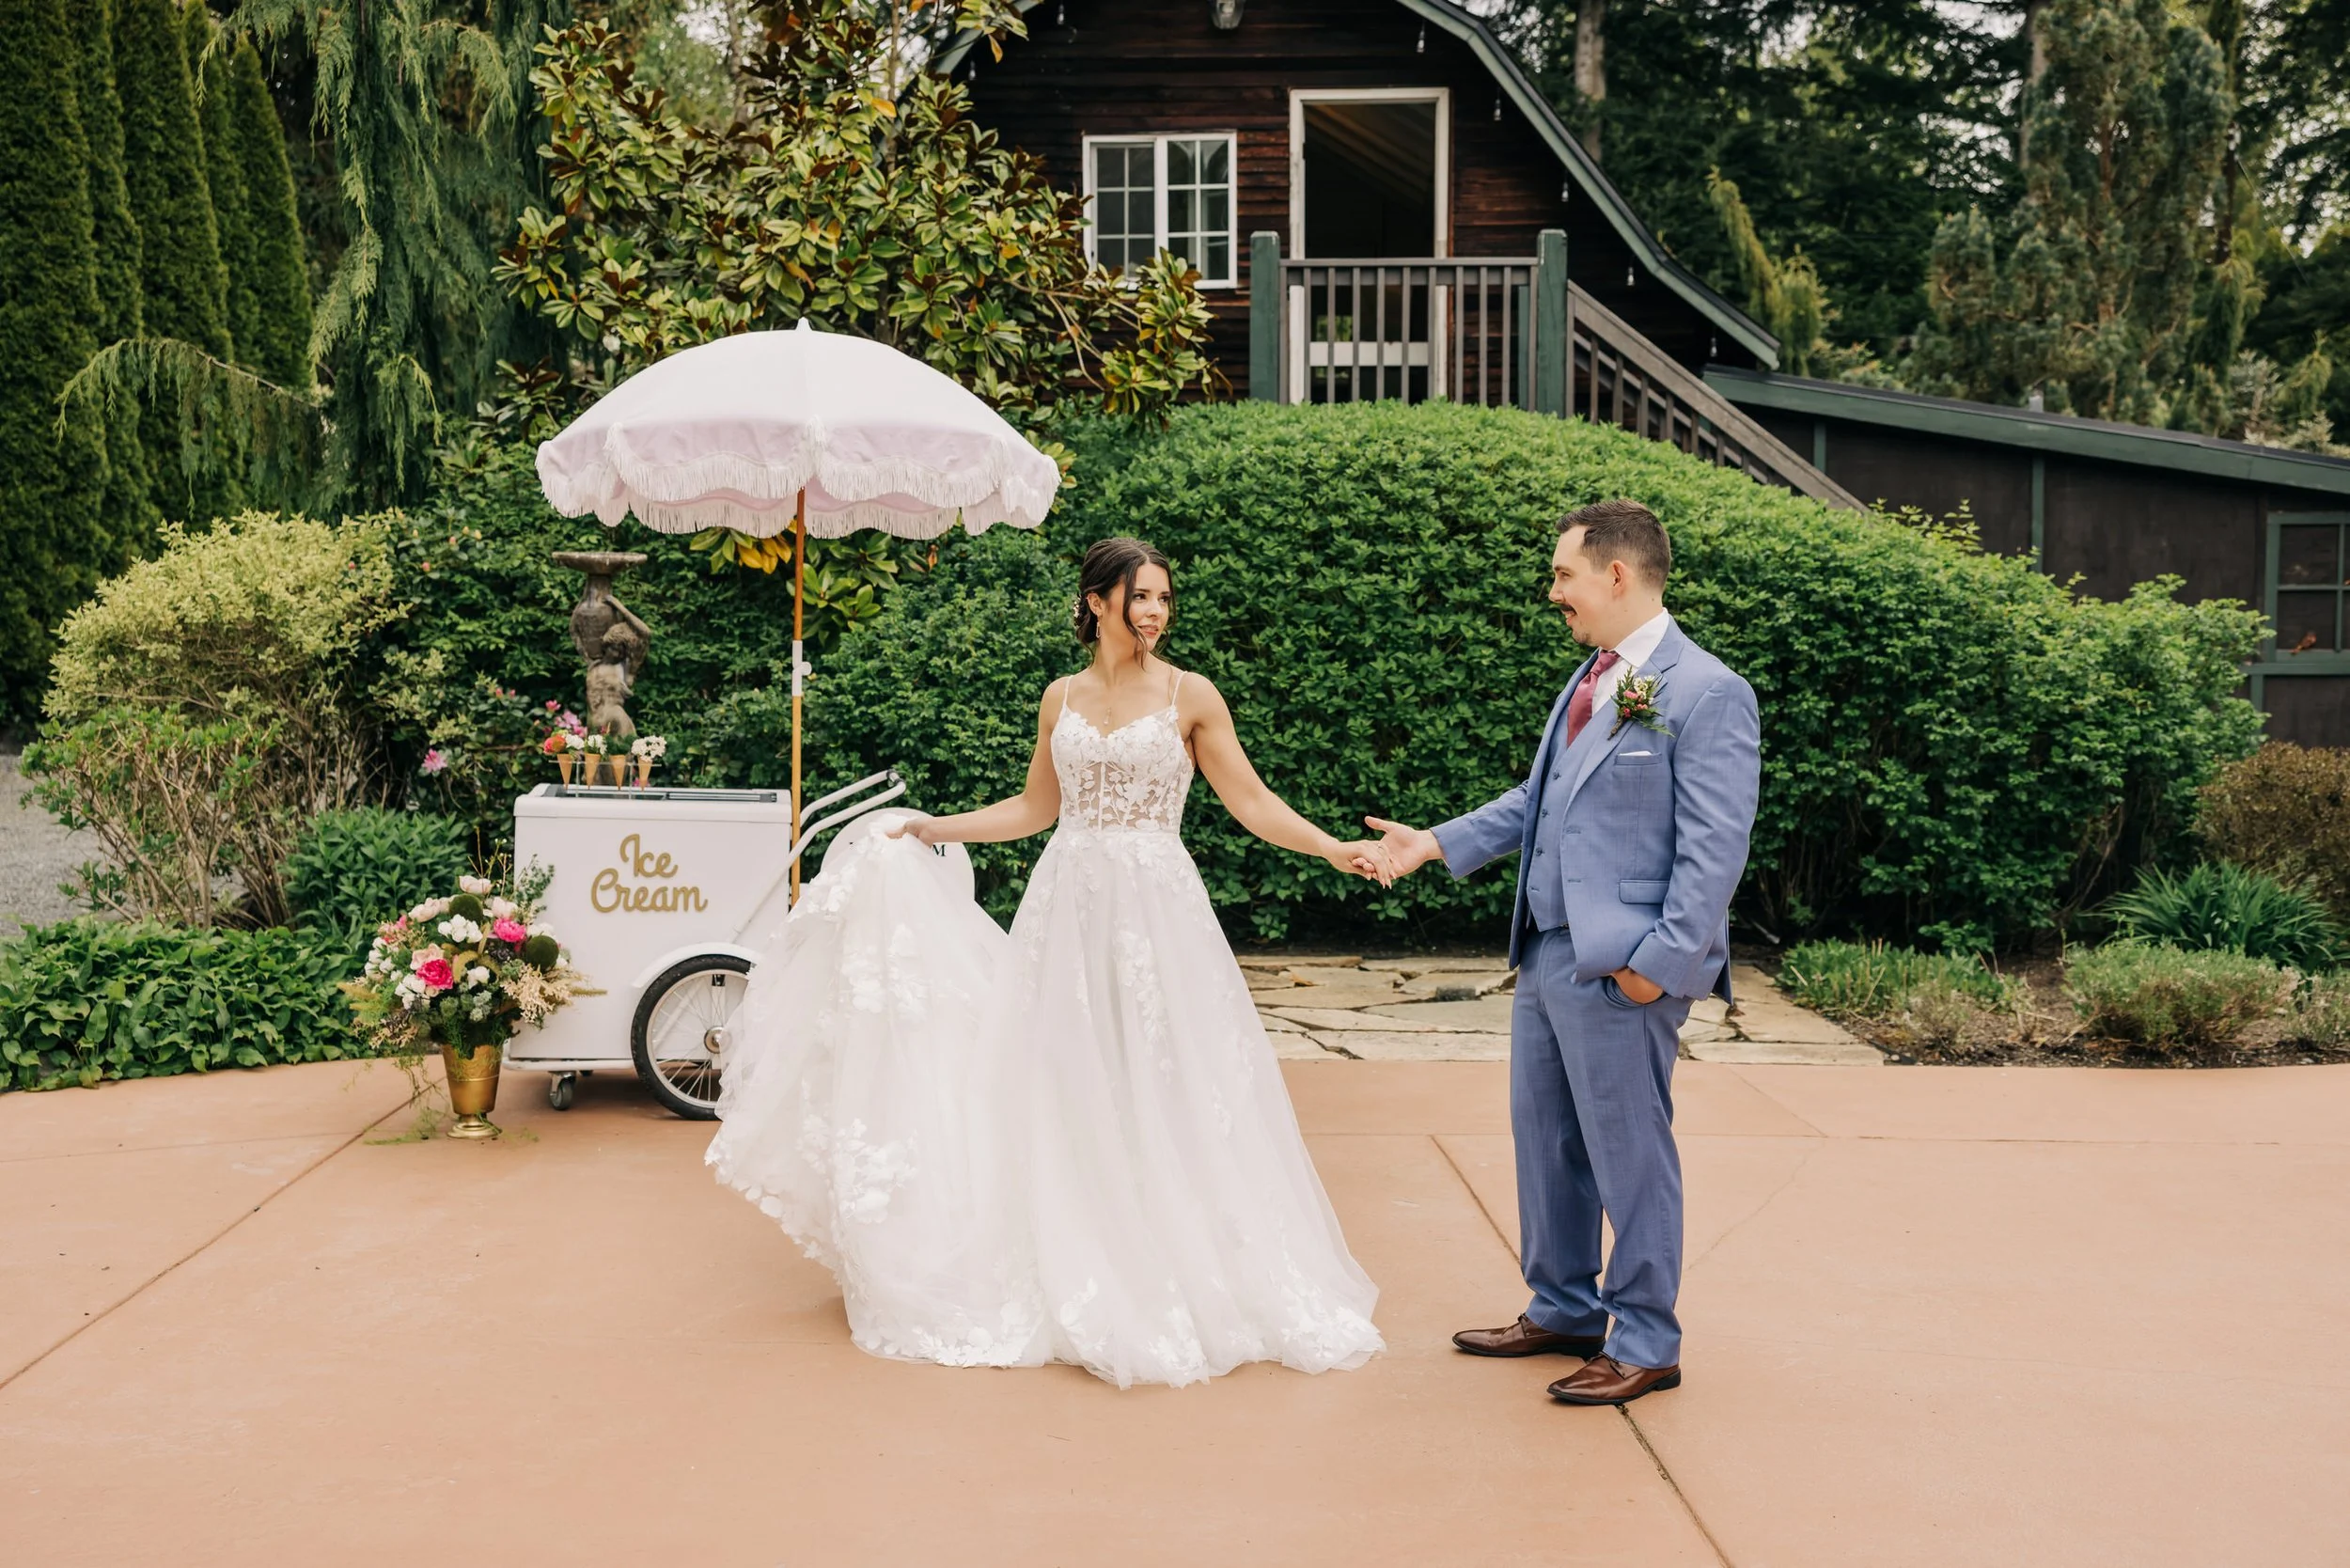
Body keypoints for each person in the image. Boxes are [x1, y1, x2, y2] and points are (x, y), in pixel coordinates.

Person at [707, 537, 1390, 1388]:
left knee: (1161, 1072)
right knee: (1062, 1076)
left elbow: (1248, 801)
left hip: (1155, 909)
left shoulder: (1190, 694)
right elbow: (1037, 808)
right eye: (1141, 596)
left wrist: (1329, 849)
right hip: (1065, 901)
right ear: (1098, 600)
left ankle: (1171, 1259)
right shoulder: (1059, 696)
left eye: (1165, 599)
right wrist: (933, 827)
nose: (1155, 612)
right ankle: (1066, 1248)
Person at [1367, 499, 1760, 1407]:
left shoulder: (1706, 691)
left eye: (1563, 575)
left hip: (1625, 969)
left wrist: (1655, 964)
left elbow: (1715, 849)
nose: (1555, 593)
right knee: (1546, 1140)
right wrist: (1433, 841)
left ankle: (1647, 1340)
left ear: (1616, 575)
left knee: (1629, 1151)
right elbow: (1538, 798)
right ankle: (1564, 1307)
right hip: (1547, 953)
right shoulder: (1594, 675)